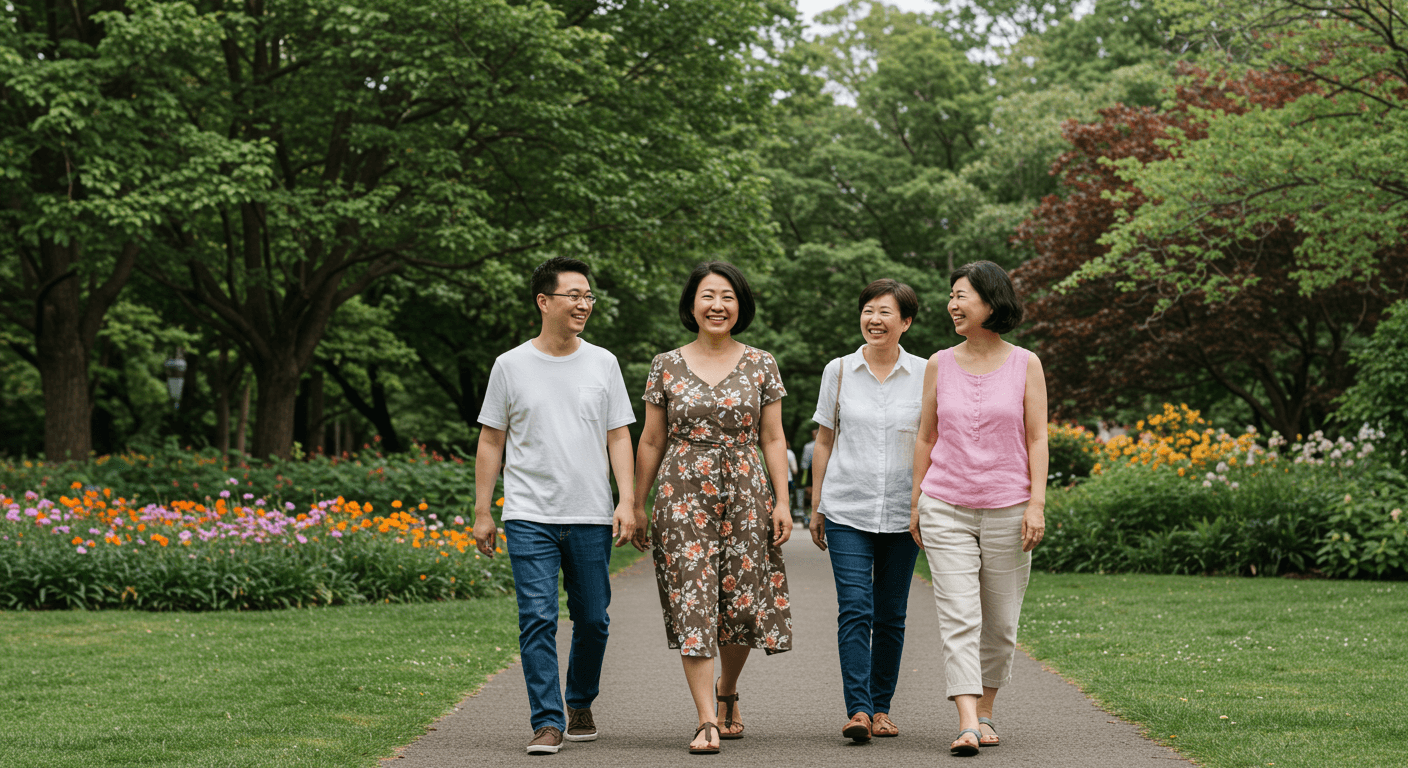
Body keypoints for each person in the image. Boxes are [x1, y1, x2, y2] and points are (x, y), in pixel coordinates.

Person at [472, 256, 639, 755]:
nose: (584, 304)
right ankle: (547, 721)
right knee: (537, 618)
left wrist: (627, 500)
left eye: (589, 296)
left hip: (589, 513)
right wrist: (483, 510)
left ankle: (580, 700)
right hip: (528, 515)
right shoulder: (510, 365)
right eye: (574, 295)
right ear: (544, 301)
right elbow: (490, 440)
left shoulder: (603, 363)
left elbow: (618, 437)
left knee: (593, 619)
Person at [631, 261, 794, 754]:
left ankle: (728, 691)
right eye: (707, 295)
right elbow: (652, 439)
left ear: (739, 306)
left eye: (727, 296)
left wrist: (783, 501)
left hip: (747, 491)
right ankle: (706, 719)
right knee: (693, 598)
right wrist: (637, 504)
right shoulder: (665, 363)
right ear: (692, 304)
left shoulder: (762, 362)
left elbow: (772, 436)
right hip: (682, 494)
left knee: (741, 602)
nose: (717, 305)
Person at [908, 261, 1047, 757]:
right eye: (950, 295)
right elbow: (926, 435)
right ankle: (967, 720)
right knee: (959, 614)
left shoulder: (1025, 363)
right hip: (946, 504)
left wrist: (1037, 504)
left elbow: (1036, 435)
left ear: (991, 301)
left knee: (1002, 621)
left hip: (1010, 506)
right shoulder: (938, 363)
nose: (952, 304)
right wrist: (917, 502)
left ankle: (986, 709)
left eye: (961, 295)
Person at [808, 279, 926, 742]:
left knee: (891, 614)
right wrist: (818, 506)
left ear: (907, 322)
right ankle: (858, 709)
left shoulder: (926, 373)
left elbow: (930, 439)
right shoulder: (837, 371)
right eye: (868, 310)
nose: (874, 319)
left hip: (904, 512)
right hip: (846, 509)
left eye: (886, 312)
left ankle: (882, 708)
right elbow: (824, 439)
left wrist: (925, 503)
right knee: (855, 607)